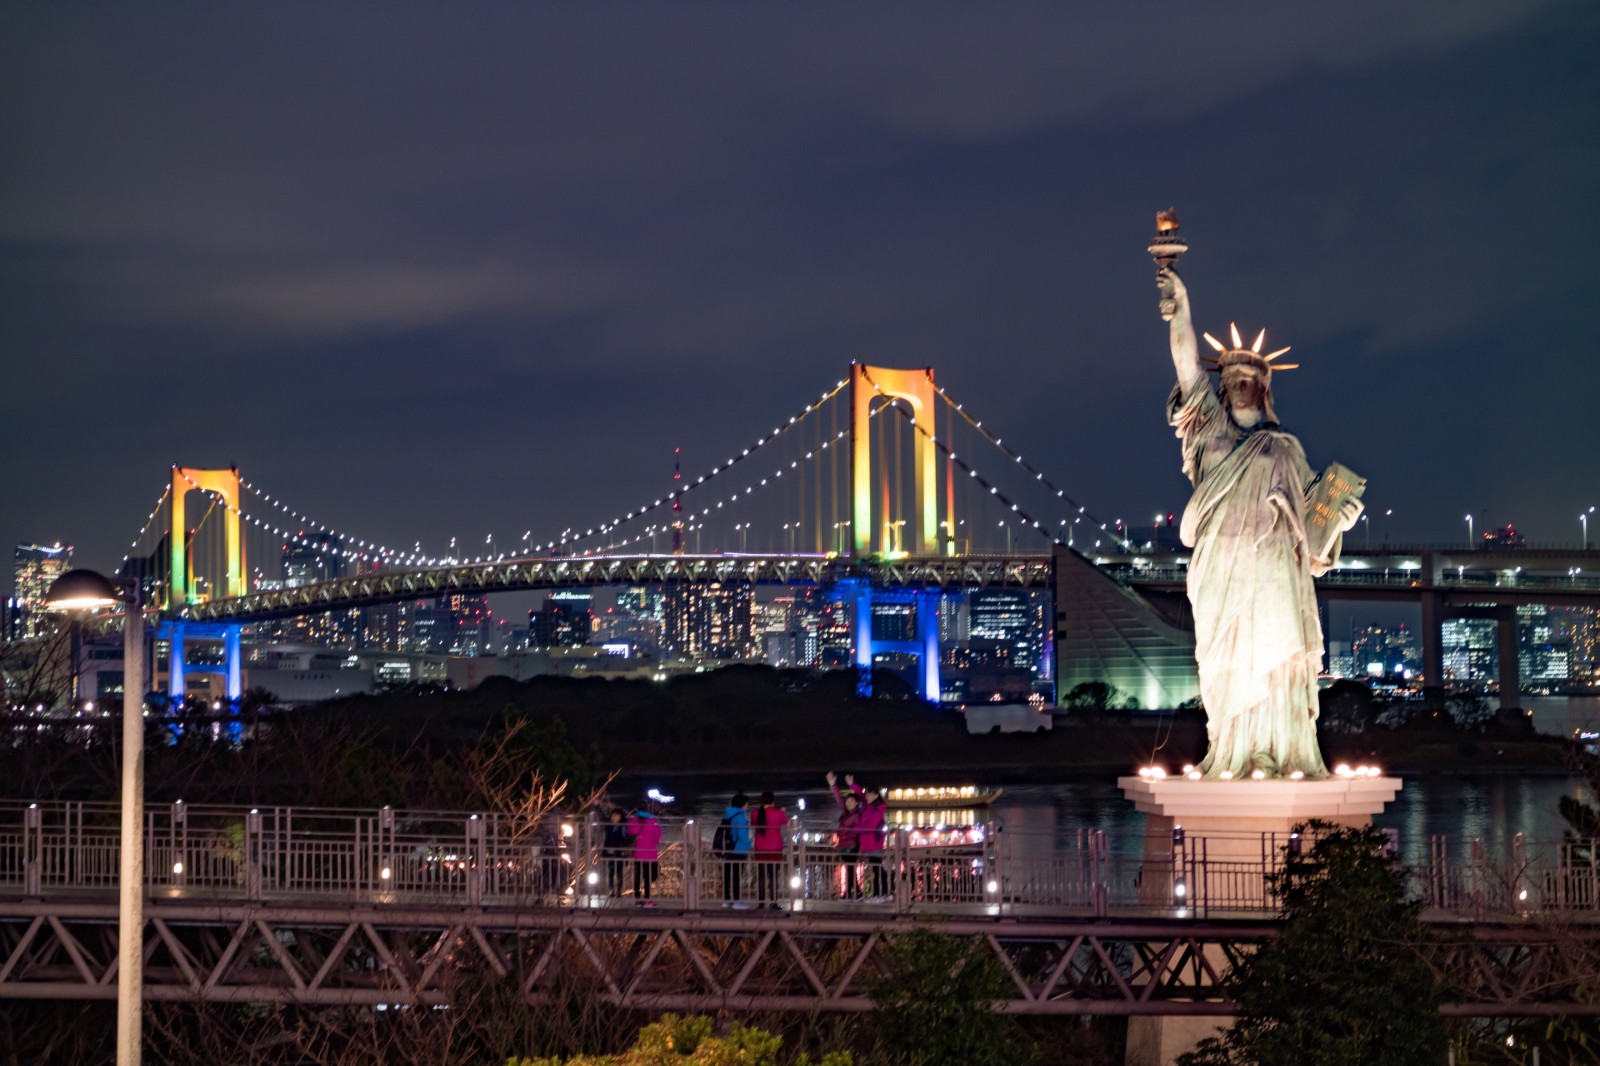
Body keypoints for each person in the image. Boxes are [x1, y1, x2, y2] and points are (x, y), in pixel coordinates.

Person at [1159, 267, 1361, 779]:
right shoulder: (1207, 431)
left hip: (1273, 570)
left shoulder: (1285, 449)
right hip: (1222, 566)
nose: (1240, 386)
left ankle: (1277, 747)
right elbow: (1187, 368)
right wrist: (1180, 307)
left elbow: (1312, 535)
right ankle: (1232, 747)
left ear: (1263, 388)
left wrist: (1341, 520)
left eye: (1249, 380)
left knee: (1275, 657)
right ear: (1222, 389)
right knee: (1227, 662)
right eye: (1231, 381)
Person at [849, 777, 890, 900]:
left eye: (869, 794)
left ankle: (879, 895)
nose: (867, 796)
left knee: (877, 869)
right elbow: (860, 795)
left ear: (876, 796)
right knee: (877, 868)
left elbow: (871, 827)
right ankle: (884, 894)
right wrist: (852, 784)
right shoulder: (869, 806)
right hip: (869, 844)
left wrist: (854, 829)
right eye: (867, 794)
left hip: (874, 844)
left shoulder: (878, 809)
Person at [825, 772, 864, 899]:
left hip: (851, 846)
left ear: (857, 803)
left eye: (852, 801)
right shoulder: (846, 811)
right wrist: (833, 785)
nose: (848, 802)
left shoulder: (856, 815)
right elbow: (838, 798)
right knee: (850, 869)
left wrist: (845, 835)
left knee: (850, 868)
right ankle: (857, 892)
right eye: (848, 800)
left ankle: (848, 893)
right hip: (843, 845)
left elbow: (857, 830)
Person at [749, 791, 789, 910]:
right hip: (775, 849)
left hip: (760, 849)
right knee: (773, 876)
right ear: (773, 802)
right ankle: (774, 902)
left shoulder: (755, 813)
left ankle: (761, 903)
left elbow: (753, 824)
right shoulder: (778, 813)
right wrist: (782, 812)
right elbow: (788, 823)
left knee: (761, 876)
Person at [716, 792, 752, 908]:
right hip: (738, 850)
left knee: (727, 874)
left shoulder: (728, 815)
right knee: (736, 875)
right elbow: (742, 836)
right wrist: (749, 845)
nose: (747, 805)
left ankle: (727, 900)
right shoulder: (740, 817)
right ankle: (737, 901)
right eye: (747, 803)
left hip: (728, 849)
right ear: (743, 804)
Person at [626, 802, 662, 907]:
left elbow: (629, 833)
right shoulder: (653, 822)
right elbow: (657, 838)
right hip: (650, 854)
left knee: (637, 877)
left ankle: (637, 899)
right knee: (648, 878)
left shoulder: (632, 821)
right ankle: (648, 900)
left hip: (637, 854)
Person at [600, 807, 629, 899]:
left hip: (619, 853)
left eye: (617, 816)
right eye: (613, 815)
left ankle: (619, 892)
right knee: (610, 873)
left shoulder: (623, 827)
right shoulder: (609, 826)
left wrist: (625, 854)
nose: (614, 818)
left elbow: (626, 841)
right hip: (609, 852)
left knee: (619, 873)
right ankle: (612, 891)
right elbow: (602, 817)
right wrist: (597, 806)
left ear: (620, 817)